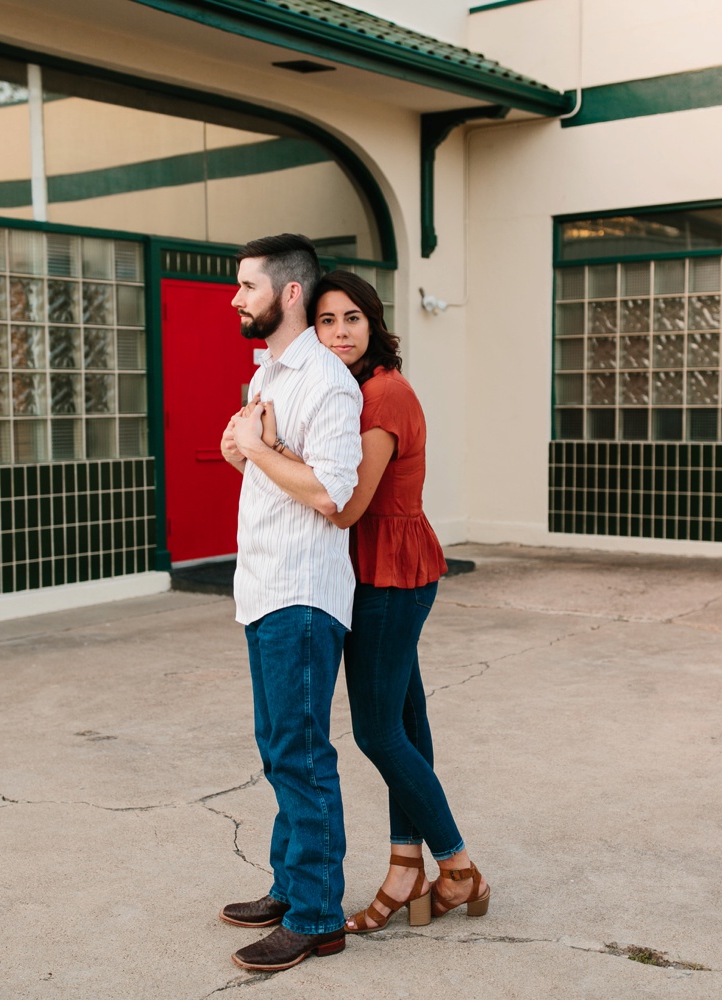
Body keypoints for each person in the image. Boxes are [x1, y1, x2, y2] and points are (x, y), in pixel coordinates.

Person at [255, 270, 489, 935]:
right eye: (325, 322)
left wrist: (267, 450)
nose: (338, 333)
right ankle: (405, 866)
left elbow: (347, 505)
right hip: (373, 571)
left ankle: (460, 867)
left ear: (375, 323)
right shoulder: (352, 392)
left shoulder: (383, 394)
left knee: (375, 730)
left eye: (350, 319)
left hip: (390, 573)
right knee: (406, 723)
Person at [216, 234, 363, 972]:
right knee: (279, 752)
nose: (236, 297)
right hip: (265, 588)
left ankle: (315, 916)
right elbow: (260, 464)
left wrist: (265, 451)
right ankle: (288, 884)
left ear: (290, 292)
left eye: (248, 284)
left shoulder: (328, 382)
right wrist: (242, 445)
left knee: (302, 757)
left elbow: (335, 497)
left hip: (303, 595)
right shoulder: (267, 373)